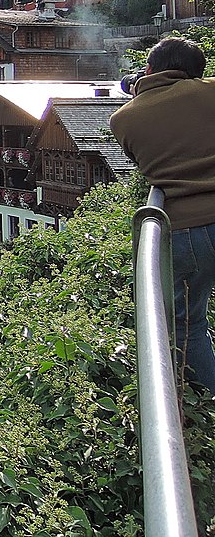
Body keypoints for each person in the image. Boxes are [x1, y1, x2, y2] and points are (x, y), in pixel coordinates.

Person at [110, 37, 215, 392]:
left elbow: (140, 163)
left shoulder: (123, 119)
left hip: (186, 230)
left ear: (149, 68)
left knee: (189, 326)